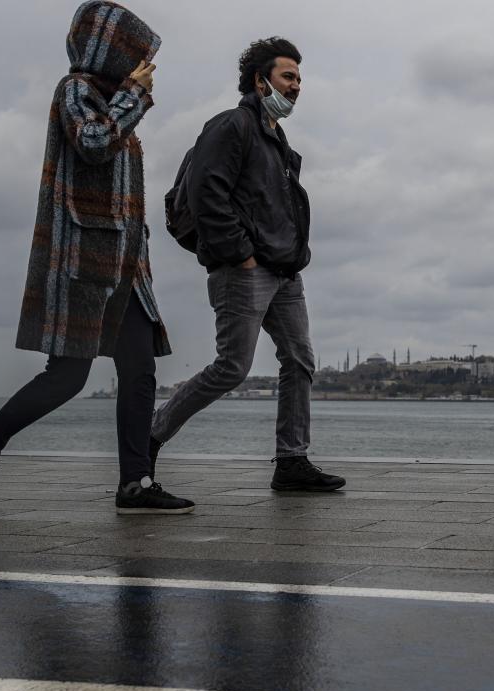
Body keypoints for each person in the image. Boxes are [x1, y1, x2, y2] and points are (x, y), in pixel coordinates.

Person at [0, 1, 194, 515]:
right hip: (83, 261)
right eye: (137, 54)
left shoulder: (111, 99)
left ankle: (136, 483)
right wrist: (135, 95)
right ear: (111, 49)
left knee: (139, 369)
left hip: (127, 268)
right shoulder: (77, 91)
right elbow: (93, 142)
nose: (145, 65)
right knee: (68, 376)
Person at [149, 37, 344, 492]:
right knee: (232, 368)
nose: (296, 86)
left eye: (299, 79)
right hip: (245, 270)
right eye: (288, 76)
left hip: (285, 273)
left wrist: (291, 258)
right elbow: (207, 193)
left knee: (299, 360)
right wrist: (242, 255)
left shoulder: (276, 138)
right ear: (260, 81)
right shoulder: (232, 125)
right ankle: (148, 437)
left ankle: (292, 461)